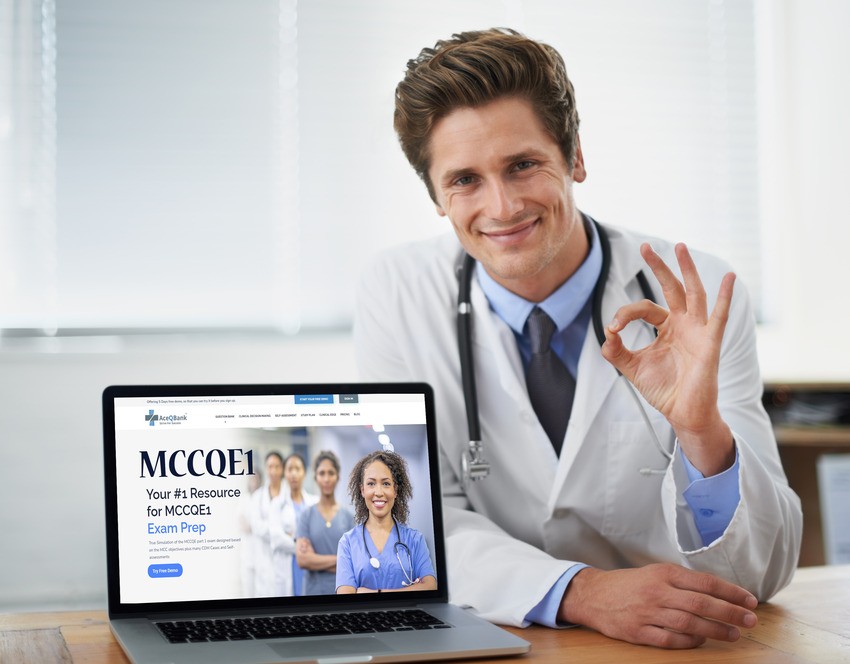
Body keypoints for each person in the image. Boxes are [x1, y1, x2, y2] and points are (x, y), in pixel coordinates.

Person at [353, 28, 802, 649]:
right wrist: (580, 590)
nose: (503, 206)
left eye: (522, 165)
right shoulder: (396, 292)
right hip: (501, 644)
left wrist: (700, 431)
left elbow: (758, 575)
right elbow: (408, 521)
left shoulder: (698, 292)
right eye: (464, 180)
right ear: (435, 195)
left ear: (576, 158)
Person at [335, 450, 437, 593]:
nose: (378, 492)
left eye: (386, 484)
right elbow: (345, 594)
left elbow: (430, 586)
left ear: (395, 491)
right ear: (362, 490)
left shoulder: (415, 540)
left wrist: (376, 593)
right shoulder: (348, 542)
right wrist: (412, 589)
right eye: (371, 484)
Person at [295, 450, 355, 595]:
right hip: (313, 592)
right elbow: (303, 560)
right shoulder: (306, 516)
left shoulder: (348, 517)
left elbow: (354, 563)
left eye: (331, 473)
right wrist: (340, 560)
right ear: (315, 477)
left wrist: (316, 561)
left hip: (342, 591)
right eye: (322, 473)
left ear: (338, 477)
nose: (326, 479)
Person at [248, 452, 293, 597]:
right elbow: (257, 528)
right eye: (270, 466)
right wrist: (281, 533)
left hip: (287, 561)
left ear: (282, 469)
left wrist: (276, 531)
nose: (273, 471)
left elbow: (295, 528)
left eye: (277, 466)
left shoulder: (291, 495)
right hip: (264, 562)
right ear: (266, 469)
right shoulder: (257, 497)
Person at [282, 452, 318, 596]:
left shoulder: (314, 503)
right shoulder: (277, 505)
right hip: (289, 563)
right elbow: (277, 538)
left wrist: (293, 537)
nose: (294, 474)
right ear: (284, 473)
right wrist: (302, 541)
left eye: (298, 469)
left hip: (310, 562)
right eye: (290, 469)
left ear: (304, 472)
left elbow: (317, 535)